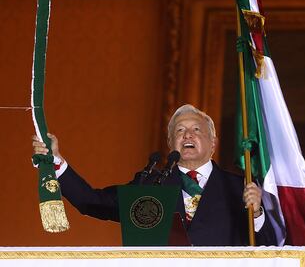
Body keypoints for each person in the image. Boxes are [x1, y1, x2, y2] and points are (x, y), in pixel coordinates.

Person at [32, 104, 276, 246]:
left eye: (196, 130)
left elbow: (271, 249)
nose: (188, 135)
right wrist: (55, 160)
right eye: (180, 131)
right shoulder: (150, 182)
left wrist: (256, 214)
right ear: (170, 142)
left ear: (213, 143)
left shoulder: (240, 187)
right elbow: (92, 202)